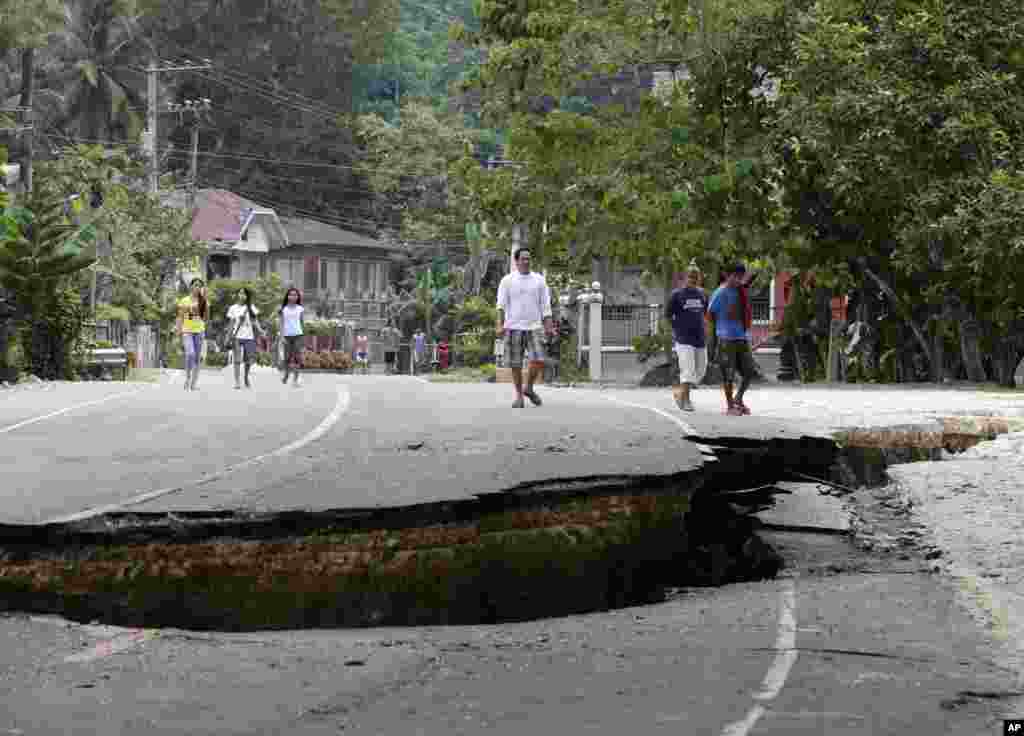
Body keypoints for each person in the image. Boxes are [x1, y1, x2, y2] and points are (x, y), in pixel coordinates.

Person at [496, 247, 554, 408]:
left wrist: (549, 326)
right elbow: (500, 306)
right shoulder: (507, 280)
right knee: (516, 363)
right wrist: (499, 325)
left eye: (529, 258)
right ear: (516, 261)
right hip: (513, 326)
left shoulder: (539, 280)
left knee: (539, 359)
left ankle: (529, 387)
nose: (527, 261)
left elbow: (545, 306)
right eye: (523, 258)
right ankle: (519, 396)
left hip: (535, 326)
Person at [708, 263, 757, 415]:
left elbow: (744, 312)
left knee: (749, 371)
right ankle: (730, 406)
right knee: (728, 373)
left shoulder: (740, 291)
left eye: (740, 276)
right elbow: (710, 314)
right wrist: (717, 334)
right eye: (735, 276)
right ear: (726, 275)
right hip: (726, 337)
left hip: (741, 336)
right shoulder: (720, 293)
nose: (738, 279)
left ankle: (738, 399)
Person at [666, 261, 708, 412]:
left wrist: (706, 329)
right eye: (690, 276)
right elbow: (668, 315)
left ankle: (679, 394)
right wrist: (676, 329)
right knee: (688, 370)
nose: (693, 279)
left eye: (696, 277)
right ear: (685, 277)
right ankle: (686, 401)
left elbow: (704, 314)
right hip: (684, 339)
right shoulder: (677, 295)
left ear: (700, 278)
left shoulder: (702, 294)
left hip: (700, 338)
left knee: (701, 370)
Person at [175, 278, 208, 391]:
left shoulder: (203, 301)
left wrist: (203, 302)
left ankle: (194, 383)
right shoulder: (184, 300)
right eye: (195, 285)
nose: (197, 288)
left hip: (199, 331)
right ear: (191, 287)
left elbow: (206, 318)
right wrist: (178, 331)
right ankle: (188, 377)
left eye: (199, 286)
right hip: (187, 331)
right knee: (190, 354)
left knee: (197, 358)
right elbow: (179, 317)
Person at [226, 287, 261, 390]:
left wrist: (260, 330)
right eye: (240, 293)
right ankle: (237, 381)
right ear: (238, 295)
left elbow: (255, 321)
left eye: (244, 294)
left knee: (248, 360)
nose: (242, 295)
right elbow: (231, 324)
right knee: (237, 360)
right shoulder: (233, 308)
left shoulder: (251, 307)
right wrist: (228, 336)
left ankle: (245, 377)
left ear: (247, 296)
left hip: (249, 337)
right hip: (236, 336)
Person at [278, 287, 305, 387]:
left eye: (295, 295)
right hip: (287, 336)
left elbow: (302, 323)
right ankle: (286, 374)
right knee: (287, 358)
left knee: (297, 358)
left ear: (298, 297)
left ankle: (295, 379)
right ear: (287, 296)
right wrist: (281, 337)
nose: (292, 296)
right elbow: (281, 324)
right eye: (290, 294)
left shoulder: (300, 309)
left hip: (298, 335)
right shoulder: (283, 309)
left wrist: (303, 337)